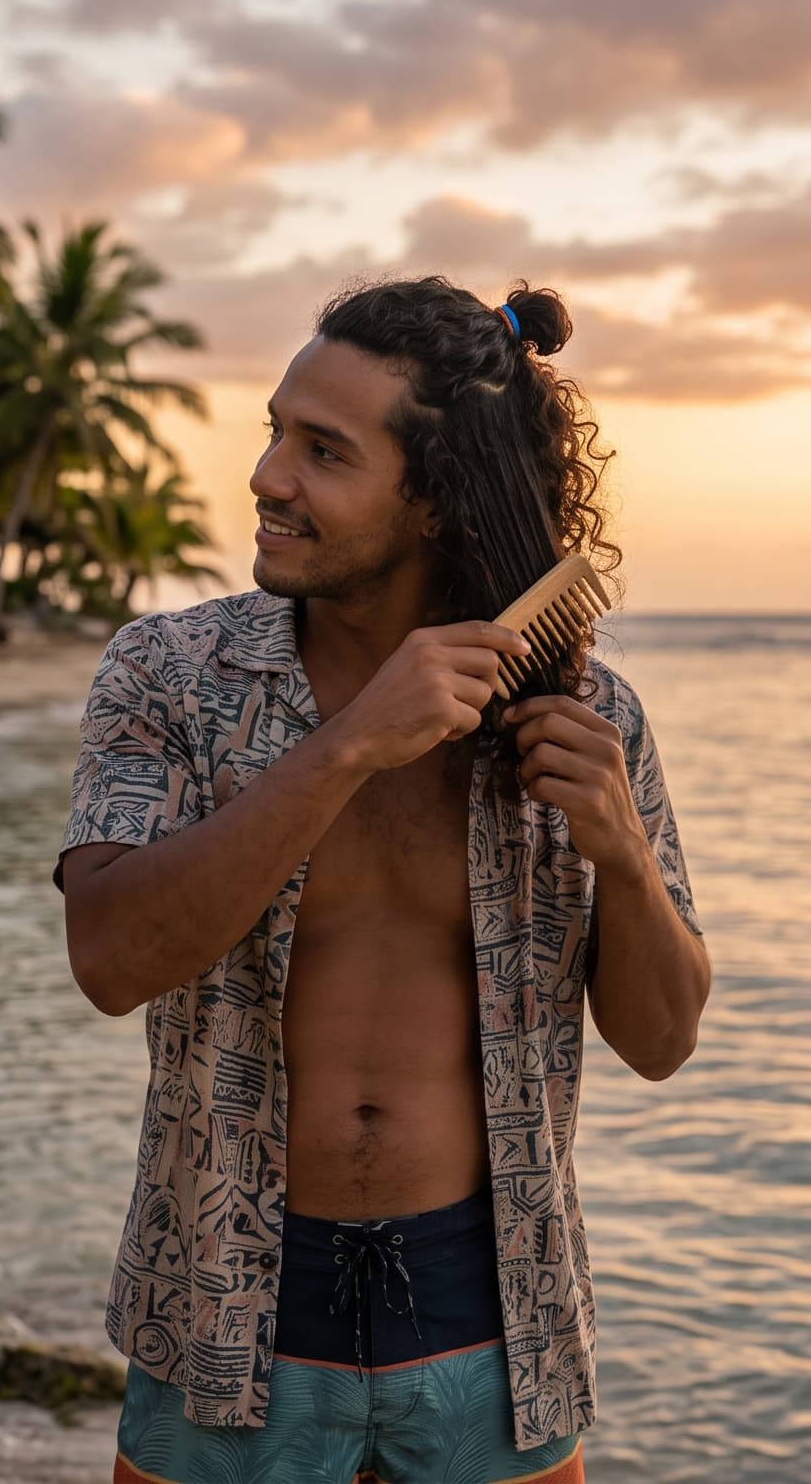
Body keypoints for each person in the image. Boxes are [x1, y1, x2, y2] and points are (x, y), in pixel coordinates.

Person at [58, 279, 709, 1483]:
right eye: (273, 430)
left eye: (320, 451)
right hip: (223, 1305)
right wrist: (348, 745)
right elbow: (108, 958)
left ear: (431, 502)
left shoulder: (583, 717)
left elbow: (663, 1041)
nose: (265, 475)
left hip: (492, 1321)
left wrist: (620, 851)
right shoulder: (168, 674)